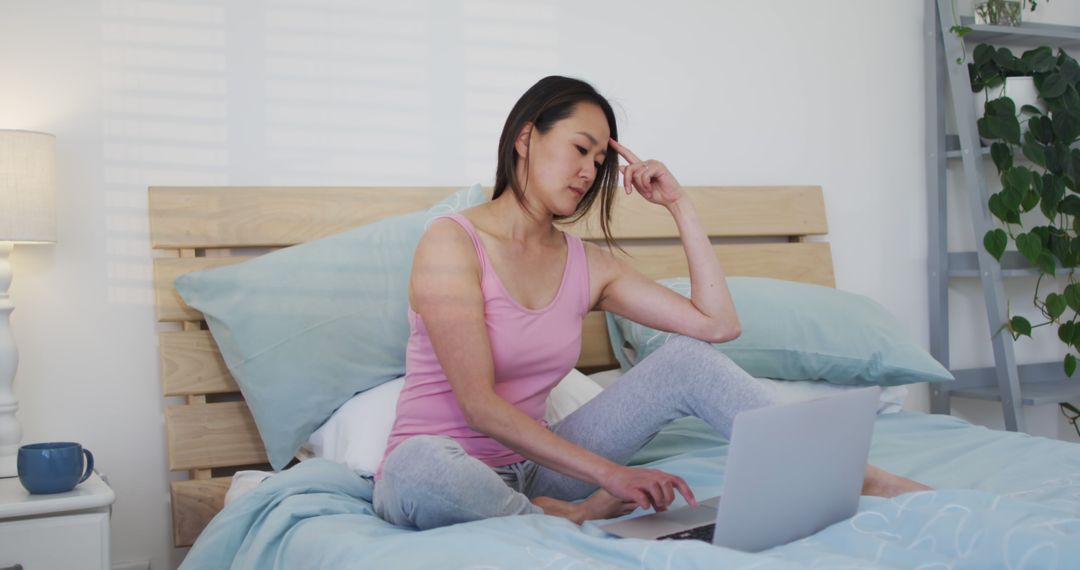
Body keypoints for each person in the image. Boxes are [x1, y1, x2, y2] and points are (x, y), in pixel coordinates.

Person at [372, 75, 930, 531]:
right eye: (578, 149)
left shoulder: (586, 264)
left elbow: (717, 324)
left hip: (535, 470)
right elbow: (478, 407)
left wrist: (679, 205)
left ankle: (858, 477)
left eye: (599, 160)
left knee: (685, 362)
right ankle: (563, 517)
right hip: (445, 469)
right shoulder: (451, 242)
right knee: (418, 470)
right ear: (525, 137)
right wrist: (610, 476)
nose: (589, 172)